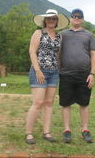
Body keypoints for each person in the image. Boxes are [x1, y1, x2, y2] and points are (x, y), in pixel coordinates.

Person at [25, 9, 69, 144]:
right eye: (49, 18)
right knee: (38, 102)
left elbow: (58, 56)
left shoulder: (59, 37)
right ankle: (29, 133)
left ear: (57, 21)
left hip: (54, 72)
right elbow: (32, 51)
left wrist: (59, 71)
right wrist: (38, 70)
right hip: (39, 70)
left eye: (54, 19)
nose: (51, 20)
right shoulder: (38, 33)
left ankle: (46, 132)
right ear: (45, 20)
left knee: (49, 103)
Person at [59, 8, 95, 143]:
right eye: (74, 16)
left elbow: (93, 54)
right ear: (70, 18)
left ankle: (85, 130)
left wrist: (92, 73)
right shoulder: (62, 34)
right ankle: (66, 130)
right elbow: (58, 55)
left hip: (84, 74)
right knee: (65, 103)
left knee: (84, 103)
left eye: (79, 16)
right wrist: (59, 71)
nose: (76, 18)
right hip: (65, 74)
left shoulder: (89, 35)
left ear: (82, 19)